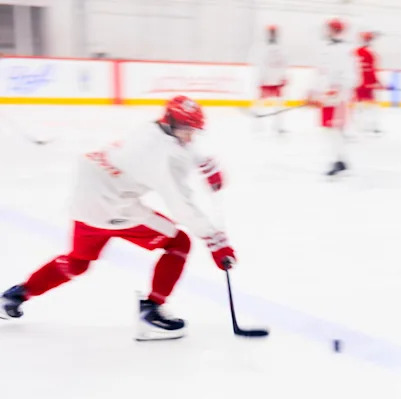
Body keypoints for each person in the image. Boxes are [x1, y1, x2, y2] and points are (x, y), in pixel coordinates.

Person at [0, 96, 236, 341]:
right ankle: (151, 312)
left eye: (194, 131)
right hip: (112, 205)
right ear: (171, 123)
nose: (190, 136)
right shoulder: (165, 157)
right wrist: (215, 241)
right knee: (178, 243)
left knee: (77, 261)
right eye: (188, 130)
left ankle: (15, 296)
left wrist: (204, 164)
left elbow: (180, 144)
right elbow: (182, 206)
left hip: (87, 195)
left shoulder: (153, 128)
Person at [308, 17, 359, 177]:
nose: (326, 30)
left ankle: (339, 161)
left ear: (335, 30)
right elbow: (320, 72)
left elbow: (353, 76)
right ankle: (340, 160)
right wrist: (313, 91)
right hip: (325, 97)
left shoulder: (347, 50)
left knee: (334, 128)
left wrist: (339, 89)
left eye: (329, 28)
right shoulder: (324, 48)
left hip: (338, 98)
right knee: (328, 129)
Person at [251, 24, 289, 134]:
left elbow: (284, 63)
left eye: (273, 32)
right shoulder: (261, 47)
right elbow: (258, 63)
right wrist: (260, 78)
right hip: (265, 80)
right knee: (259, 104)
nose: (272, 34)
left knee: (279, 105)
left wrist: (284, 76)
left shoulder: (282, 48)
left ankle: (278, 126)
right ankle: (257, 125)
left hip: (277, 81)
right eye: (271, 32)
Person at [354, 31, 382, 134]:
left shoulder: (355, 51)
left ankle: (357, 127)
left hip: (356, 83)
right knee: (372, 106)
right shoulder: (371, 53)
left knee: (358, 105)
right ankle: (373, 126)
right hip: (367, 84)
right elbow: (371, 70)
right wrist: (377, 82)